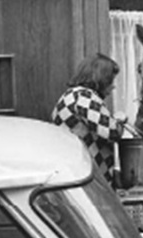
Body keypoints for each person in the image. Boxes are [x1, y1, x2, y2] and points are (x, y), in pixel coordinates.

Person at [51, 53, 129, 188]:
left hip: (75, 173)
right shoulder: (84, 97)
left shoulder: (70, 96)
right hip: (89, 177)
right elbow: (112, 132)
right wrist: (119, 120)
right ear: (101, 79)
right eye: (110, 80)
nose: (113, 86)